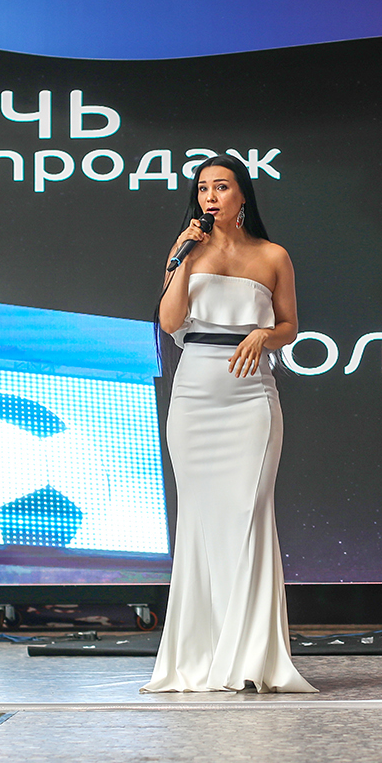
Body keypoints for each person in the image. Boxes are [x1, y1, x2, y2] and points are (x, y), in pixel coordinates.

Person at [144, 155, 315, 693]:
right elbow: (170, 321)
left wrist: (264, 335)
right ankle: (202, 655)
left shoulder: (272, 255)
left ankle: (250, 659)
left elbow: (289, 325)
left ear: (243, 195)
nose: (210, 197)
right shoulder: (186, 251)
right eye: (203, 189)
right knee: (198, 521)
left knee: (249, 516)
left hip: (250, 397)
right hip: (194, 394)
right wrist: (181, 257)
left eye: (221, 187)